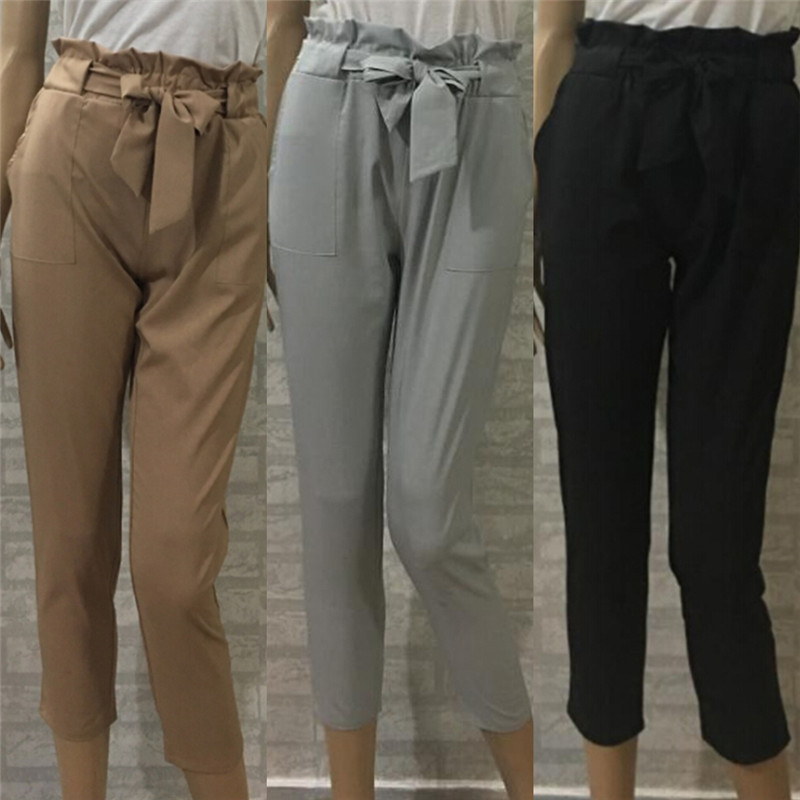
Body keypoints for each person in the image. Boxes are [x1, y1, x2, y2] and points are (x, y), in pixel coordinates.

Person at [266, 1, 534, 798]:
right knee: (335, 503)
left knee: (429, 514)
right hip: (325, 107)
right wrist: (255, 188)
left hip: (477, 104)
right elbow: (282, 20)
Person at [0, 1, 267, 798]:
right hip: (74, 151)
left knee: (176, 566)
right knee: (70, 545)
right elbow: (16, 48)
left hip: (224, 150)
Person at [533, 1, 799, 798]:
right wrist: (544, 191)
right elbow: (554, 27)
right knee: (600, 521)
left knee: (718, 548)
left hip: (755, 109)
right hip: (601, 110)